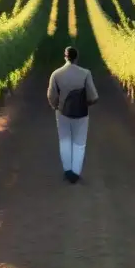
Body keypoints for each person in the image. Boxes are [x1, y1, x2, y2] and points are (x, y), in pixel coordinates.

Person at [47, 46, 99, 183]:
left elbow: (51, 96)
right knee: (79, 143)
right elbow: (93, 96)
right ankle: (75, 173)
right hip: (81, 113)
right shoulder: (85, 73)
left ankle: (67, 171)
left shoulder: (56, 74)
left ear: (65, 56)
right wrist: (85, 104)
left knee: (64, 141)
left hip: (62, 112)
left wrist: (56, 107)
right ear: (76, 58)